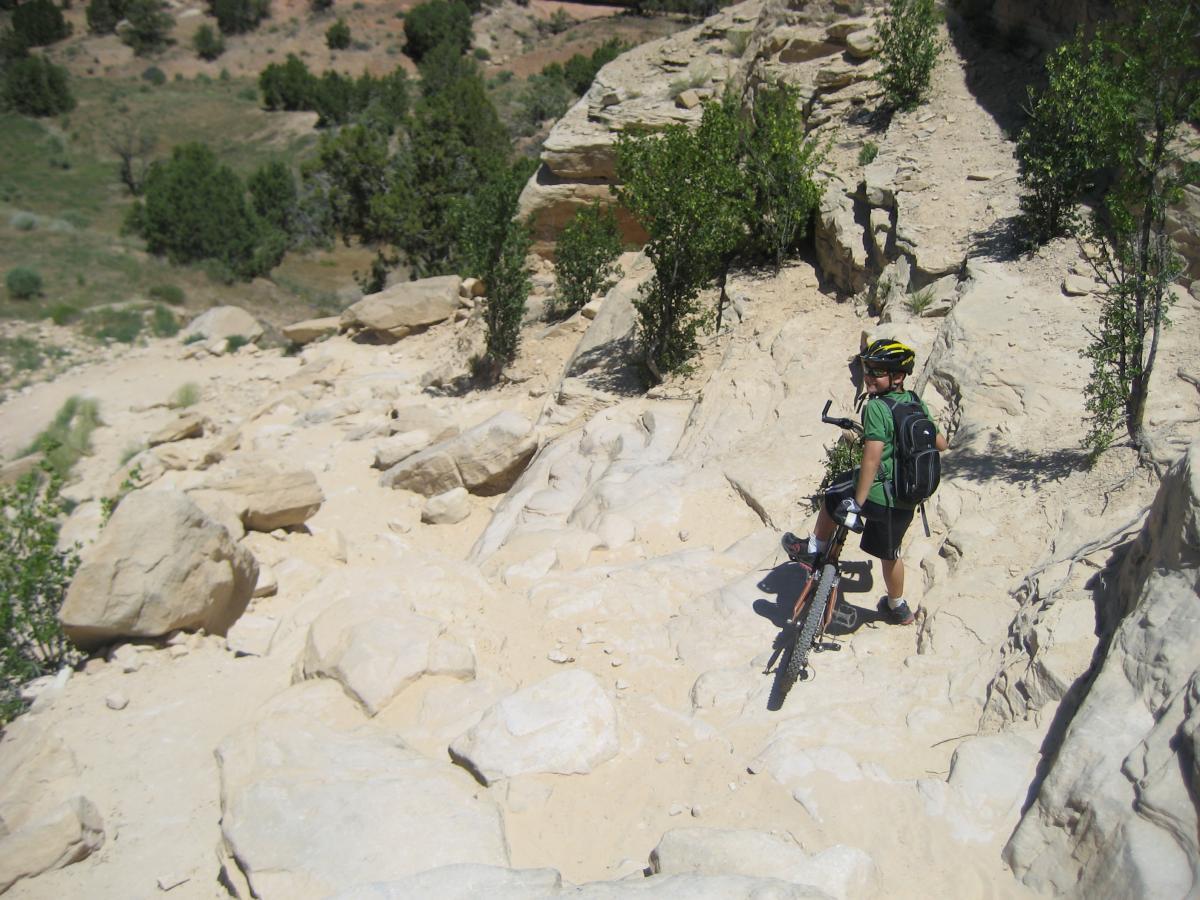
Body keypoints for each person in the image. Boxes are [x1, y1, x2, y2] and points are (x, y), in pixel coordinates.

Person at [783, 339, 949, 626]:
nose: (869, 376)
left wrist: (857, 504)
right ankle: (897, 607)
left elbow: (871, 460)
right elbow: (941, 444)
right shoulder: (914, 402)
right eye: (867, 369)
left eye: (877, 371)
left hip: (875, 497)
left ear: (897, 376)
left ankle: (813, 549)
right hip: (905, 499)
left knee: (833, 492)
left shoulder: (876, 408)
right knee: (891, 553)